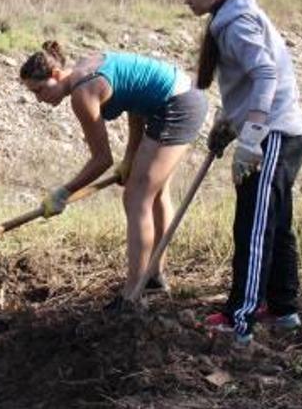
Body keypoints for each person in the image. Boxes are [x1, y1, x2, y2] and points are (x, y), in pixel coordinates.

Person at [179, 0, 302, 345]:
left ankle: (240, 319)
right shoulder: (233, 15)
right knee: (276, 224)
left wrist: (251, 137)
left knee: (253, 228)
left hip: (274, 134)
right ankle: (283, 310)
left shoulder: (235, 23)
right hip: (283, 132)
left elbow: (266, 74)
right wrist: (227, 121)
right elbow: (245, 81)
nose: (187, 1)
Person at [19, 41, 207, 308]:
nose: (39, 98)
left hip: (177, 106)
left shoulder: (82, 94)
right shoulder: (88, 64)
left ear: (56, 75)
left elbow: (101, 160)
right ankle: (154, 278)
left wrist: (63, 193)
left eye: (39, 90)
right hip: (176, 98)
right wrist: (130, 159)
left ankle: (131, 295)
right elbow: (136, 103)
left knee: (136, 197)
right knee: (156, 192)